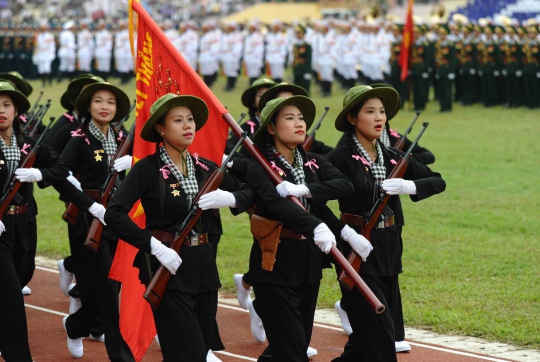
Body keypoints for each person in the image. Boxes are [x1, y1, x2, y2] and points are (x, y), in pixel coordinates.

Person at [104, 93, 253, 362]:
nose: (188, 126)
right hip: (166, 265)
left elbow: (249, 192)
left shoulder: (205, 167)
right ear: (160, 129)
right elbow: (114, 213)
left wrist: (230, 198)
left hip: (203, 265)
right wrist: (153, 246)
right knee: (189, 348)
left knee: (190, 348)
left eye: (191, 120)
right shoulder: (146, 169)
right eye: (178, 120)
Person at [325, 85, 446, 361]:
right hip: (356, 248)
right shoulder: (340, 157)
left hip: (389, 248)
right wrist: (342, 231)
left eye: (382, 111)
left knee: (364, 343)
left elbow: (438, 180)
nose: (379, 118)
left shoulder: (393, 156)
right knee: (380, 340)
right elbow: (314, 202)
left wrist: (408, 185)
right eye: (370, 112)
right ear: (353, 119)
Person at [246, 95, 354, 361]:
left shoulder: (312, 161)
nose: (299, 123)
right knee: (292, 349)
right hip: (275, 262)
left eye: (301, 118)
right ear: (271, 128)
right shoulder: (260, 167)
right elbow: (276, 205)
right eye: (290, 118)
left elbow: (344, 184)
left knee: (295, 343)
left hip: (307, 262)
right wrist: (315, 225)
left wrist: (306, 189)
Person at [52, 81, 134, 360]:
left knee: (113, 285)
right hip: (89, 221)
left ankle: (75, 326)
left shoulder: (124, 137)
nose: (104, 107)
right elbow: (58, 172)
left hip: (118, 218)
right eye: (99, 101)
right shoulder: (78, 137)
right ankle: (121, 356)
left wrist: (133, 161)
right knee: (108, 289)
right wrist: (87, 203)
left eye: (110, 102)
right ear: (88, 106)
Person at [0, 81, 67, 361]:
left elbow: (60, 167)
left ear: (17, 111)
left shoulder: (29, 142)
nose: (0, 110)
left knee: (22, 276)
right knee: (13, 297)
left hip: (24, 223)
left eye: (6, 105)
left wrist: (40, 175)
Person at [292, 24, 313, 94]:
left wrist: (308, 71)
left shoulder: (307, 45)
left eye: (299, 33)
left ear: (303, 34)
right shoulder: (296, 45)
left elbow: (309, 59)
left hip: (304, 68)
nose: (298, 35)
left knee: (305, 88)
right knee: (297, 87)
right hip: (297, 68)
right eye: (297, 33)